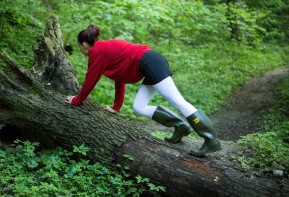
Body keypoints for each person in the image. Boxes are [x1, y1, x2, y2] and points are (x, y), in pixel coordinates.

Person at [65, 24, 221, 157]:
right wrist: (116, 108)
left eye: (79, 46)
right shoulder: (104, 50)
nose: (80, 49)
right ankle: (181, 126)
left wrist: (76, 100)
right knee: (139, 106)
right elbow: (120, 79)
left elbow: (90, 79)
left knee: (178, 101)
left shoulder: (97, 51)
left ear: (84, 44)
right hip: (148, 65)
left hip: (150, 62)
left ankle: (210, 139)